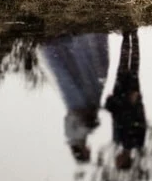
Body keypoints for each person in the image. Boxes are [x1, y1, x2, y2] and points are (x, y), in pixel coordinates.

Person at [40, 32, 109, 163]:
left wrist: (90, 124)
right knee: (90, 69)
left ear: (82, 152)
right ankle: (78, 41)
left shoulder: (72, 136)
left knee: (75, 71)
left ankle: (72, 42)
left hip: (79, 101)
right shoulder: (79, 138)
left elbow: (74, 120)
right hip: (87, 100)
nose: (89, 150)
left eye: (87, 153)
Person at [104, 30, 147, 169]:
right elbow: (140, 121)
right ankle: (132, 35)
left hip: (120, 98)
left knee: (124, 64)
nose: (116, 160)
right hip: (129, 99)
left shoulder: (118, 140)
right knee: (132, 64)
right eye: (118, 163)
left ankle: (128, 35)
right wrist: (136, 102)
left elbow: (116, 118)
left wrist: (110, 104)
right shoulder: (136, 141)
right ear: (124, 161)